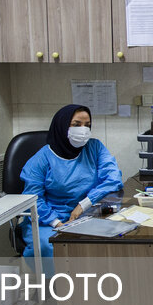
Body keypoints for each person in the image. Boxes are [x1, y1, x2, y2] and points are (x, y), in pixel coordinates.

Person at [20, 104, 123, 259]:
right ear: (62, 126)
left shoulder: (95, 148)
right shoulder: (41, 160)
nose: (83, 130)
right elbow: (33, 199)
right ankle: (55, 283)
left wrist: (84, 204)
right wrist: (57, 223)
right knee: (51, 246)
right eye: (76, 125)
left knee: (115, 239)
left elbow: (113, 179)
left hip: (87, 214)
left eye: (87, 125)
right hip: (46, 220)